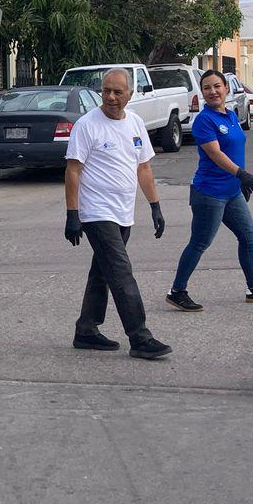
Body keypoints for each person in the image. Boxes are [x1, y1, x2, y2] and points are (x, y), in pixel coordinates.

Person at [63, 68, 172, 360]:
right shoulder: (87, 125)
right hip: (97, 213)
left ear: (130, 94)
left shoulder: (135, 122)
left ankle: (86, 330)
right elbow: (73, 170)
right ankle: (140, 337)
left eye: (117, 92)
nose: (111, 97)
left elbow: (143, 167)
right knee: (122, 274)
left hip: (124, 212)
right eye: (106, 91)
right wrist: (72, 214)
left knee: (102, 272)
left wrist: (155, 205)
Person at [166, 70, 253, 312]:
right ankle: (177, 291)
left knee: (248, 236)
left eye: (217, 86)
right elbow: (216, 154)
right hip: (209, 193)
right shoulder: (204, 120)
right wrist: (241, 174)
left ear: (226, 88)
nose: (213, 91)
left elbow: (235, 150)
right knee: (200, 242)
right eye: (207, 88)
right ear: (202, 92)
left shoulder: (230, 116)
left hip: (232, 192)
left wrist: (240, 180)